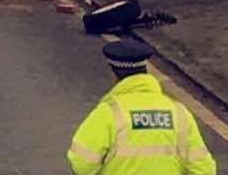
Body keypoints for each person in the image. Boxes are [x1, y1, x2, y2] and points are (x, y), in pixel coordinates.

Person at [67, 39, 216, 175]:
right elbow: (205, 169)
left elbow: (81, 164)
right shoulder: (178, 112)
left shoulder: (108, 113)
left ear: (114, 74)